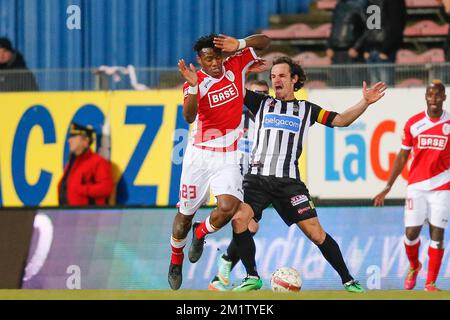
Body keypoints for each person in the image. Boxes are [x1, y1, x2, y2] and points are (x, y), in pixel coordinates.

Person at [209, 56, 387, 292]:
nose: (276, 80)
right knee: (240, 218)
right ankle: (252, 276)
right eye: (273, 76)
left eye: (282, 76)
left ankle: (348, 280)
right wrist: (240, 67)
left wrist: (364, 102)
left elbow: (342, 120)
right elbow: (231, 88)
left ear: (294, 80)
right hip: (257, 179)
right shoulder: (261, 103)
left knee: (316, 232)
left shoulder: (307, 110)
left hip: (289, 182)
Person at [168, 33, 271, 290]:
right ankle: (175, 260)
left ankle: (201, 232)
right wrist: (192, 87)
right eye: (207, 60)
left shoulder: (235, 63)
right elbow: (189, 117)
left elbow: (265, 41)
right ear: (199, 61)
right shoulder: (196, 82)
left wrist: (241, 44)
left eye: (216, 58)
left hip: (228, 154)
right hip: (199, 156)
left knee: (228, 207)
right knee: (183, 217)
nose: (214, 64)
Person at [374, 80, 449, 292]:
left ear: (444, 97)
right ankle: (415, 266)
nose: (434, 98)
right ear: (426, 97)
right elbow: (403, 155)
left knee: (438, 233)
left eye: (438, 95)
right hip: (416, 186)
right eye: (430, 95)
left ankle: (431, 283)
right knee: (411, 233)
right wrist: (388, 186)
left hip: (443, 186)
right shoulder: (414, 123)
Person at [58, 122, 114, 206]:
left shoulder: (97, 162)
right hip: (69, 215)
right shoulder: (71, 164)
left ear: (85, 141)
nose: (69, 141)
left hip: (88, 216)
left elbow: (106, 188)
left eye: (74, 137)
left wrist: (83, 190)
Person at [362, 0, 406, 86]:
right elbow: (367, 26)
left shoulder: (394, 2)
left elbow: (396, 25)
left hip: (385, 52)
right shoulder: (370, 2)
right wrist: (366, 48)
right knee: (373, 89)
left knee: (386, 88)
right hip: (371, 51)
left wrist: (386, 50)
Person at [326, 0, 367, 87]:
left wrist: (356, 47)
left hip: (352, 53)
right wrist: (329, 46)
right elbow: (334, 27)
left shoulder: (361, 4)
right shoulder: (339, 5)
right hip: (337, 53)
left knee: (355, 85)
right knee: (338, 85)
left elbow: (367, 30)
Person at [238, 80, 270, 175]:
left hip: (263, 178)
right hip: (239, 177)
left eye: (265, 94)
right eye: (256, 94)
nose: (260, 98)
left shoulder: (274, 121)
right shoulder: (237, 120)